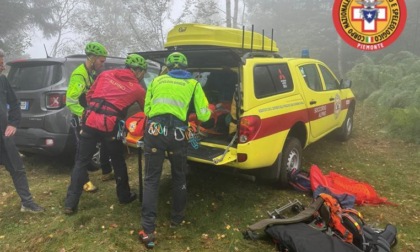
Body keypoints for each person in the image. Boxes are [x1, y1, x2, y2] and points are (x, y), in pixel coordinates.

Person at [139, 52, 212, 249]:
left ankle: (148, 230)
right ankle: (177, 219)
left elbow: (147, 110)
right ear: (185, 67)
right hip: (179, 134)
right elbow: (204, 116)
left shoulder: (156, 81)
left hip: (154, 131)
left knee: (152, 180)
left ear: (168, 66)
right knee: (179, 176)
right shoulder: (193, 84)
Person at [64, 54, 147, 215]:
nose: (142, 76)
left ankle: (70, 204)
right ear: (138, 71)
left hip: (90, 120)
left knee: (81, 162)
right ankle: (124, 196)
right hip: (110, 125)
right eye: (143, 72)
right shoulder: (137, 88)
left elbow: (89, 95)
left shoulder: (105, 74)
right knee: (117, 160)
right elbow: (146, 109)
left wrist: (96, 109)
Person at [0, 48, 44, 213]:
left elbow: (15, 103)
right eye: (0, 65)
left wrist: (13, 123)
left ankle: (27, 202)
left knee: (17, 169)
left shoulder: (2, 81)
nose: (3, 68)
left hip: (4, 137)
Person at [66, 42, 114, 193]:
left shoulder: (90, 73)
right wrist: (84, 114)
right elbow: (71, 100)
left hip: (89, 117)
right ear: (92, 58)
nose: (103, 64)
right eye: (101, 61)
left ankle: (105, 171)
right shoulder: (79, 75)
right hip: (81, 118)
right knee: (82, 153)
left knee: (99, 144)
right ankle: (84, 182)